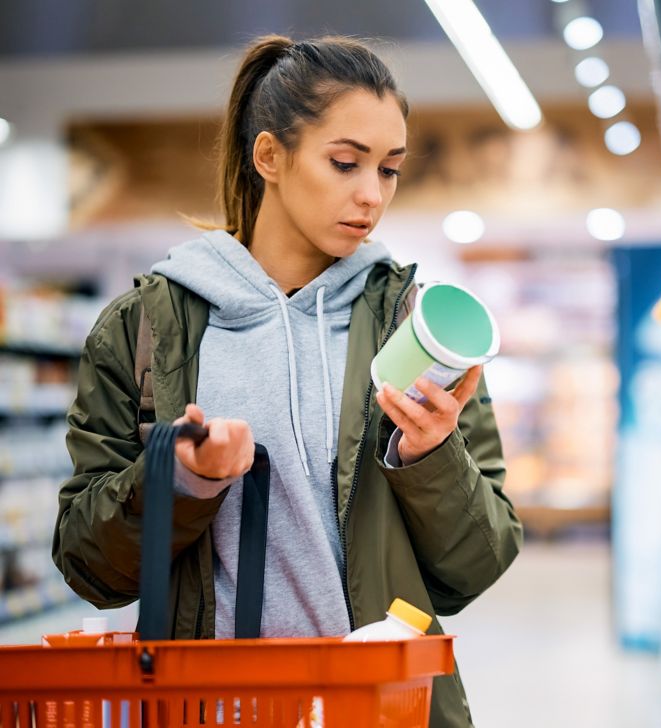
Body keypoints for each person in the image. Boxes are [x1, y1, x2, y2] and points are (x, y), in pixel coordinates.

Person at [52, 34, 522, 727]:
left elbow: (476, 567)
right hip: (210, 709)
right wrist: (184, 480)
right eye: (344, 162)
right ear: (269, 155)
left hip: (380, 709)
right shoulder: (145, 329)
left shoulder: (415, 329)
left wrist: (429, 460)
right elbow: (88, 565)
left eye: (389, 170)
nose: (371, 195)